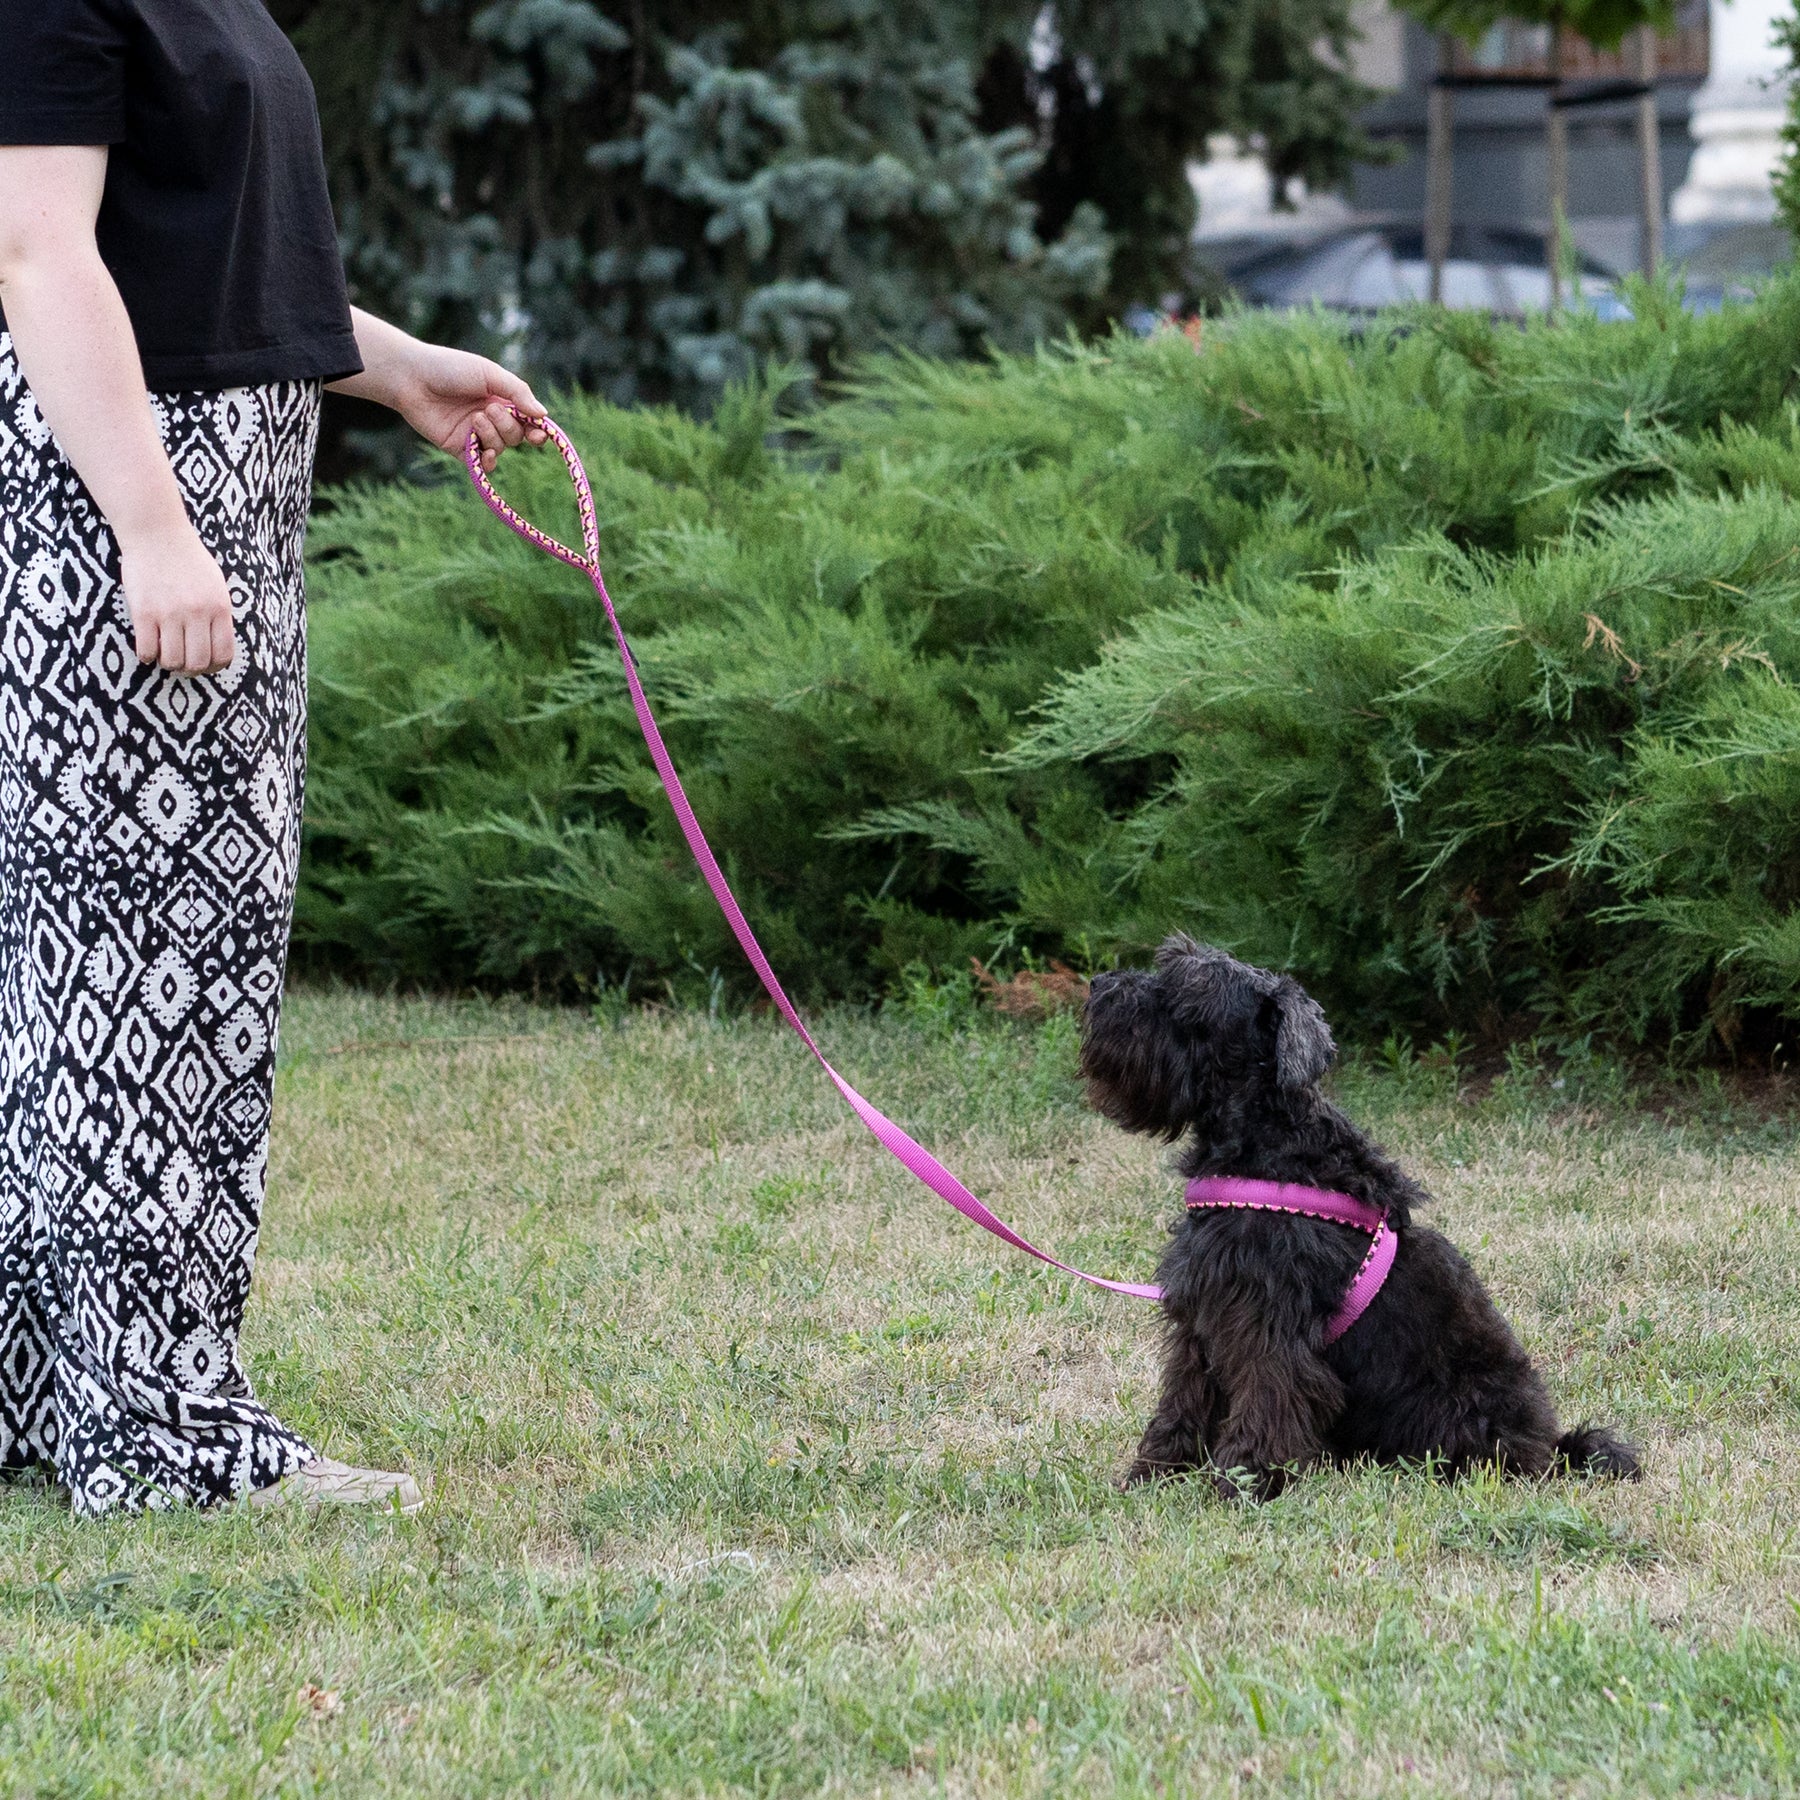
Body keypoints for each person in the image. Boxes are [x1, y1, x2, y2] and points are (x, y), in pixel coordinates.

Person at [0, 0, 547, 1517]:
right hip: (124, 507)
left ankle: (51, 1395)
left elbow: (209, 266)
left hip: (212, 495)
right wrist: (150, 525)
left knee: (124, 969)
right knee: (143, 980)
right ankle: (162, 1437)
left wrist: (400, 368)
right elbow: (36, 254)